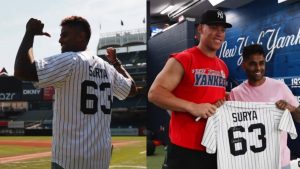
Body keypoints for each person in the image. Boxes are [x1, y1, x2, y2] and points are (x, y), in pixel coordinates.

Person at [14, 16, 137, 169]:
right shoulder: (108, 68)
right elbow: (131, 89)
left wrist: (30, 33)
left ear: (81, 36)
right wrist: (116, 63)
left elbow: (22, 70)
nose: (60, 40)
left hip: (69, 159)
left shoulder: (71, 60)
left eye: (64, 35)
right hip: (101, 157)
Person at [148, 9, 232, 169]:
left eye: (222, 29)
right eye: (214, 27)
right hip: (186, 149)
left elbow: (207, 93)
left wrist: (225, 98)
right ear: (200, 29)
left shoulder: (223, 66)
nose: (219, 33)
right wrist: (192, 106)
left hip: (215, 145)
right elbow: (155, 93)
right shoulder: (183, 59)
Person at [229, 44, 300, 169]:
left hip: (279, 161)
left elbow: (299, 117)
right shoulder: (236, 93)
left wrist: (290, 108)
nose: (258, 68)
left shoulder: (280, 87)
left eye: (261, 63)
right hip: (250, 162)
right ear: (244, 65)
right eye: (252, 64)